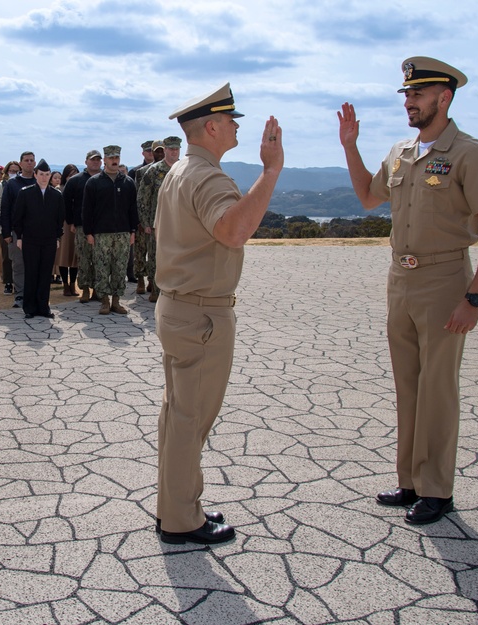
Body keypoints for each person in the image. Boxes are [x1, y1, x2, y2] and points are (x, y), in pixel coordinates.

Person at [338, 57, 478, 525]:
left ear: (444, 98)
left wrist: (474, 297)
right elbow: (369, 197)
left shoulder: (470, 154)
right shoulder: (402, 152)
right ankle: (411, 481)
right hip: (402, 280)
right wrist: (350, 147)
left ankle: (438, 490)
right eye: (407, 94)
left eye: (418, 94)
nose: (410, 101)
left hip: (444, 280)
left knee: (438, 389)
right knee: (408, 387)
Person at [154, 82, 283, 544]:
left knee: (178, 415)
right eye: (230, 121)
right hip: (202, 314)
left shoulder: (181, 170)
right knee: (191, 419)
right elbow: (232, 231)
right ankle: (182, 520)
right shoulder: (209, 177)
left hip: (178, 308)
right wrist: (270, 173)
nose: (235, 127)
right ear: (211, 126)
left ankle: (175, 505)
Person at [82, 145, 138, 315]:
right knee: (102, 268)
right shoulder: (94, 182)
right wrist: (88, 233)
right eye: (111, 157)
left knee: (120, 268)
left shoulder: (128, 182)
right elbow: (87, 210)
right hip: (101, 233)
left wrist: (133, 231)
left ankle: (116, 301)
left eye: (117, 158)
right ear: (104, 160)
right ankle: (104, 301)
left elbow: (132, 209)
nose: (114, 161)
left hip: (122, 233)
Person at [12, 159, 64, 319]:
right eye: (41, 174)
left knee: (45, 273)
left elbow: (59, 218)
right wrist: (19, 237)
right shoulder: (25, 193)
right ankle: (29, 307)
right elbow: (17, 218)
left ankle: (43, 306)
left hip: (48, 240)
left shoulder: (56, 195)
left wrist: (57, 237)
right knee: (31, 272)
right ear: (35, 175)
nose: (44, 177)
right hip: (30, 240)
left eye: (47, 174)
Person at [137, 136, 183, 303]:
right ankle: (156, 290)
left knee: (177, 258)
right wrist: (145, 222)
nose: (174, 152)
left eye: (176, 149)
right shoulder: (154, 170)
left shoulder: (184, 169)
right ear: (165, 151)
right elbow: (143, 198)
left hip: (179, 224)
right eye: (170, 149)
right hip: (157, 223)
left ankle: (174, 290)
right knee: (156, 258)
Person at [1, 151, 37, 309]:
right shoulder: (12, 184)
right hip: (17, 232)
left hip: (37, 232)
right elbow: (5, 209)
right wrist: (7, 233)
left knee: (36, 264)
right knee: (19, 264)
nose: (29, 163)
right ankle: (20, 295)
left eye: (32, 160)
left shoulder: (40, 181)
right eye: (26, 160)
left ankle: (34, 294)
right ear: (21, 164)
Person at [65, 150, 101, 302]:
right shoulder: (75, 180)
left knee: (100, 260)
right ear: (86, 161)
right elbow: (66, 201)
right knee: (84, 259)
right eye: (92, 160)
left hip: (102, 228)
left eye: (98, 160)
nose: (95, 162)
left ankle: (98, 290)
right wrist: (71, 221)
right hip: (81, 227)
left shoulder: (106, 179)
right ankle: (85, 289)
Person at [133, 140, 164, 294]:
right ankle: (140, 280)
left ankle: (153, 281)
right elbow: (138, 197)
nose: (158, 154)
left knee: (155, 253)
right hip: (143, 219)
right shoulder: (140, 171)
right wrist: (139, 220)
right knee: (140, 251)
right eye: (155, 151)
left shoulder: (169, 170)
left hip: (161, 220)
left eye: (161, 151)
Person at [0, 160, 20, 295]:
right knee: (6, 256)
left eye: (17, 171)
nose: (14, 174)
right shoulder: (0, 186)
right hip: (4, 226)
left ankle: (19, 283)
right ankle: (8, 282)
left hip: (19, 227)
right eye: (12, 171)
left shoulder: (21, 185)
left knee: (18, 257)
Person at [55, 163, 79, 296]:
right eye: (70, 175)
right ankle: (65, 285)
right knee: (64, 256)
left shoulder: (80, 187)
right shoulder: (59, 189)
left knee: (75, 257)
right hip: (63, 225)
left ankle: (73, 284)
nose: (72, 177)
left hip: (76, 225)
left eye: (75, 174)